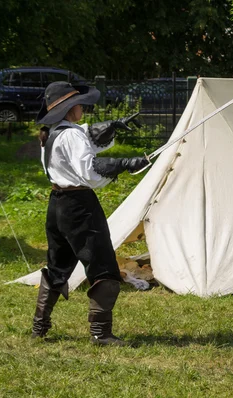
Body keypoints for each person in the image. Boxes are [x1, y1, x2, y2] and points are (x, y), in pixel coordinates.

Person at [31, 81, 149, 346]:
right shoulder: (71, 135)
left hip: (57, 205)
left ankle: (39, 326)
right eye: (78, 104)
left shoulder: (50, 133)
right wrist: (124, 164)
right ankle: (101, 333)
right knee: (103, 266)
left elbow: (85, 141)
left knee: (58, 266)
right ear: (69, 109)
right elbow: (89, 172)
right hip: (79, 206)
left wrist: (111, 127)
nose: (82, 107)